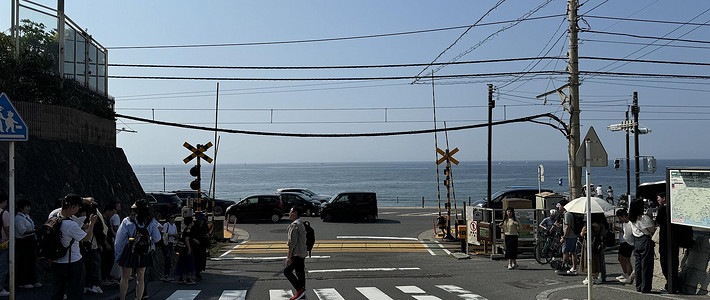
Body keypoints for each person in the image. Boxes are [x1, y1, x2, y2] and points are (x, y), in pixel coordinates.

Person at [51, 194, 97, 300]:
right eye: (77, 207)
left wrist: (83, 200)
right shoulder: (71, 225)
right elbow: (86, 238)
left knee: (57, 292)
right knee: (75, 292)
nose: (78, 209)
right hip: (72, 262)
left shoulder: (53, 215)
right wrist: (91, 224)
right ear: (72, 207)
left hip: (56, 261)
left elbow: (64, 205)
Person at [114, 199, 161, 300]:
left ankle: (122, 298)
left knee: (125, 276)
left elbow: (120, 239)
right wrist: (148, 241)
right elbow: (157, 237)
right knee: (140, 277)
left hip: (129, 251)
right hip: (144, 251)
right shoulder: (150, 221)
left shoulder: (127, 221)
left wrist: (118, 255)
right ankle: (139, 298)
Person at [655, 192, 679, 294]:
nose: (658, 199)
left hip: (665, 239)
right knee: (674, 262)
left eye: (659, 198)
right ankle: (674, 285)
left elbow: (658, 220)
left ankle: (671, 285)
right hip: (674, 239)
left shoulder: (662, 209)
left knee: (665, 263)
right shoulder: (675, 208)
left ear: (664, 198)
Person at [629, 199, 655, 293]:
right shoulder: (643, 218)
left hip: (637, 241)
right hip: (645, 240)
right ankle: (646, 287)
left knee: (638, 264)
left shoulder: (631, 218)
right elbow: (651, 229)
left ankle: (638, 285)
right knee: (646, 265)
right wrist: (650, 217)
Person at [14, 199, 41, 289]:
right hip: (23, 242)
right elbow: (22, 231)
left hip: (30, 241)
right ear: (21, 208)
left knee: (31, 261)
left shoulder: (27, 216)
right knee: (24, 262)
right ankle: (23, 282)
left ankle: (32, 280)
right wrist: (35, 230)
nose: (29, 208)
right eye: (27, 207)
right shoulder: (18, 218)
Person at [284, 206, 307, 300]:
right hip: (302, 252)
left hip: (296, 254)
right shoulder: (301, 223)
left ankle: (300, 290)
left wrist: (288, 257)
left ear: (295, 213)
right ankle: (301, 293)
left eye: (291, 212)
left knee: (287, 272)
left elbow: (291, 244)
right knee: (300, 273)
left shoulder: (294, 225)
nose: (289, 214)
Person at [580, 214, 608, 285]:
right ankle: (595, 277)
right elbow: (603, 235)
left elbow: (582, 234)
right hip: (597, 245)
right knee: (597, 261)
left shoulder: (588, 226)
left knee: (588, 260)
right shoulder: (601, 225)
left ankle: (590, 277)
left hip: (588, 245)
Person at [100, 202, 119, 286]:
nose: (112, 215)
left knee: (110, 260)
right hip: (105, 244)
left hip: (110, 242)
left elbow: (110, 231)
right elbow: (101, 233)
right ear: (108, 211)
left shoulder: (107, 220)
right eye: (112, 213)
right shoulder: (101, 220)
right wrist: (106, 243)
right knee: (105, 261)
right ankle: (104, 278)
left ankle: (107, 277)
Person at [557, 201, 579, 275]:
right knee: (573, 252)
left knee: (565, 251)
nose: (558, 207)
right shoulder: (571, 213)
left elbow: (568, 227)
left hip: (569, 236)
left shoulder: (567, 214)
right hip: (573, 235)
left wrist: (564, 237)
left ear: (563, 206)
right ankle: (574, 268)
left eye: (559, 205)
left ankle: (565, 267)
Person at [173, 216, 196, 285]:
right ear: (190, 223)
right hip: (186, 249)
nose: (193, 222)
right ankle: (188, 278)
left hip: (182, 249)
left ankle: (181, 277)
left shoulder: (185, 229)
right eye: (192, 221)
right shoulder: (188, 230)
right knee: (188, 262)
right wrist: (189, 248)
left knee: (182, 262)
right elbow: (187, 239)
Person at [615, 208, 635, 284]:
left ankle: (628, 274)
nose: (620, 219)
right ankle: (625, 273)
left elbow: (629, 232)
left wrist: (621, 230)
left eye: (620, 218)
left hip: (627, 242)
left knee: (626, 259)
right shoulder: (624, 222)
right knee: (620, 258)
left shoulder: (629, 222)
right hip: (623, 242)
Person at [192, 213, 210, 280]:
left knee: (202, 258)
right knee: (196, 259)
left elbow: (208, 233)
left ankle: (199, 271)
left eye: (202, 220)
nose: (201, 221)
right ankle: (197, 272)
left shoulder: (205, 226)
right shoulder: (194, 227)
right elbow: (192, 235)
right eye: (200, 220)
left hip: (203, 244)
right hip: (196, 245)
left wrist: (207, 236)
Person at [161, 215, 179, 281]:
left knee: (170, 258)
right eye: (171, 218)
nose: (173, 219)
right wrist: (172, 235)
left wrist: (175, 236)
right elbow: (163, 233)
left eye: (174, 218)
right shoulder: (166, 225)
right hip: (166, 243)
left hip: (171, 242)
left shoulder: (174, 226)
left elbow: (176, 234)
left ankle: (168, 274)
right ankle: (166, 275)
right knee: (167, 258)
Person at [0, 197, 10, 296]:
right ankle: (0, 288)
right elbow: (7, 229)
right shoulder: (4, 213)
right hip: (2, 244)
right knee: (3, 267)